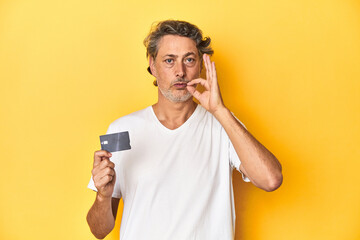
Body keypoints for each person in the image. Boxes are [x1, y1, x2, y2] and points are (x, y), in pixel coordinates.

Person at [86, 20, 282, 240]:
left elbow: (271, 180)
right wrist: (103, 197)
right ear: (152, 64)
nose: (180, 72)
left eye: (189, 60)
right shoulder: (122, 129)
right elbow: (99, 231)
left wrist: (219, 110)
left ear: (200, 65)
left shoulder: (223, 124)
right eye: (169, 60)